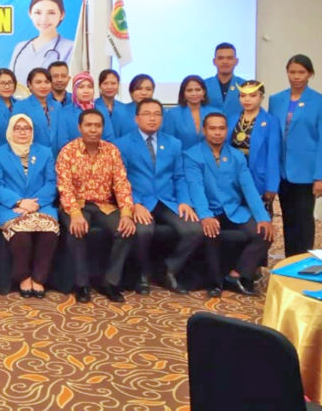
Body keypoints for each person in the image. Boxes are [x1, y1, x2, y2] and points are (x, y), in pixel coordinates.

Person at [116, 99, 201, 294]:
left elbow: (179, 177)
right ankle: (143, 274)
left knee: (194, 230)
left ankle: (168, 270)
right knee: (143, 231)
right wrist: (135, 204)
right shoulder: (123, 144)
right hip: (140, 200)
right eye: (146, 114)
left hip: (167, 200)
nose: (152, 118)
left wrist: (184, 201)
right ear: (136, 118)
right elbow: (121, 179)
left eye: (157, 114)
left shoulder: (174, 143)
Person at [184, 112, 274, 298]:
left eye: (221, 128)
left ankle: (236, 275)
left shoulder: (237, 156)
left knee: (264, 233)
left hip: (234, 210)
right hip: (209, 210)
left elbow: (249, 188)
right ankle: (214, 283)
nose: (217, 132)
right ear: (204, 130)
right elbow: (196, 188)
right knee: (211, 232)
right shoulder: (192, 155)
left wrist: (263, 217)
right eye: (212, 128)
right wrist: (205, 216)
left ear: (227, 130)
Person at [56, 109, 135, 303]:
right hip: (77, 204)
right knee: (77, 230)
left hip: (104, 205)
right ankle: (81, 285)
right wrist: (75, 214)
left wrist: (126, 214)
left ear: (103, 128)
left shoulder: (112, 151)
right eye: (88, 125)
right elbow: (64, 186)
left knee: (126, 230)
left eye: (97, 126)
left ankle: (110, 282)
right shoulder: (68, 151)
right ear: (80, 127)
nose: (93, 130)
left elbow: (121, 184)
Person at [269, 55, 322, 256]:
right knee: (288, 220)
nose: (296, 77)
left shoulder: (321, 102)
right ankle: (290, 261)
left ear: (310, 74)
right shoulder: (276, 100)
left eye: (301, 72)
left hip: (306, 171)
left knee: (303, 221)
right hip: (282, 171)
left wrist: (321, 176)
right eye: (292, 72)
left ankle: (303, 261)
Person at [0, 115, 58, 298]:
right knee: (21, 234)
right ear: (10, 131)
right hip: (11, 206)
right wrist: (19, 202)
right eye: (18, 128)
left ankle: (39, 278)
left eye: (27, 128)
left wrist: (34, 204)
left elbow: (51, 183)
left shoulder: (44, 152)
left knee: (49, 230)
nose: (22, 132)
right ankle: (23, 277)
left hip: (40, 204)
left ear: (32, 131)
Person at [228, 81, 281, 214]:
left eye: (252, 95)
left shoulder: (270, 121)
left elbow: (273, 155)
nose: (247, 99)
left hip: (257, 176)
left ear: (261, 97)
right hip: (233, 175)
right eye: (243, 96)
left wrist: (271, 186)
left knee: (258, 215)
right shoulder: (232, 119)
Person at [10, 0, 73, 84]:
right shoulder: (20, 48)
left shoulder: (71, 48)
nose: (44, 19)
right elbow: (11, 82)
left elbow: (71, 85)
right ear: (30, 14)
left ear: (62, 15)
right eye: (38, 13)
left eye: (51, 13)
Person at [163, 75, 221, 151]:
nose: (194, 93)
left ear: (204, 92)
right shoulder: (172, 114)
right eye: (189, 90)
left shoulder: (216, 113)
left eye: (198, 90)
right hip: (182, 157)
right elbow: (168, 142)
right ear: (183, 94)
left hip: (210, 157)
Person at [12, 68, 61, 149]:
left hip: (56, 153)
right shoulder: (21, 106)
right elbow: (17, 135)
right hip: (32, 153)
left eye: (47, 82)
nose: (43, 86)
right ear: (29, 84)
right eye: (38, 82)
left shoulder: (57, 106)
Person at [56, 72, 101, 152]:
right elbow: (62, 143)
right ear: (74, 90)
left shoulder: (101, 110)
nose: (86, 91)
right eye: (81, 87)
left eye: (90, 87)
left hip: (100, 156)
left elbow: (109, 139)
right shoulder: (64, 112)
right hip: (72, 156)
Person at [203, 43, 246, 118]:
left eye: (229, 58)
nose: (225, 62)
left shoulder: (245, 85)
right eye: (220, 58)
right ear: (214, 61)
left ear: (236, 61)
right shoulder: (204, 85)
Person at [94, 69, 123, 141]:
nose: (109, 87)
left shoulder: (123, 108)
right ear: (99, 86)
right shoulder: (93, 107)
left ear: (118, 85)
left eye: (113, 83)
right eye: (105, 83)